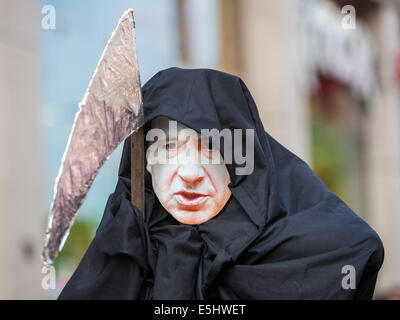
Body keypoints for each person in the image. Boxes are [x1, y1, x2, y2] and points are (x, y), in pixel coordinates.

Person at [58, 67, 384, 299]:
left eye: (210, 148)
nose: (189, 172)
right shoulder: (127, 244)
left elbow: (356, 246)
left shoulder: (283, 252)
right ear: (144, 161)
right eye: (168, 147)